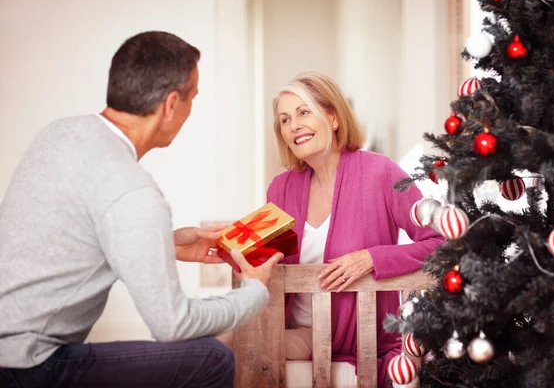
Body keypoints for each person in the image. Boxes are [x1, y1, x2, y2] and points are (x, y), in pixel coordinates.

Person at [0, 31, 282, 388]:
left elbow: (76, 231)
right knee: (212, 359)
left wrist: (166, 242)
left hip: (7, 350)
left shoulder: (59, 135)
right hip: (27, 367)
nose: (190, 109)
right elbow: (172, 324)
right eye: (192, 98)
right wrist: (253, 291)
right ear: (170, 105)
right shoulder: (134, 192)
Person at [267, 72, 444, 387]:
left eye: (303, 112)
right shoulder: (280, 189)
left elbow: (440, 244)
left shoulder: (380, 172)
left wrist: (372, 259)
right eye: (284, 119)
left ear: (333, 118)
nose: (293, 126)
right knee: (228, 345)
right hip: (304, 334)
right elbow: (269, 262)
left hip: (364, 335)